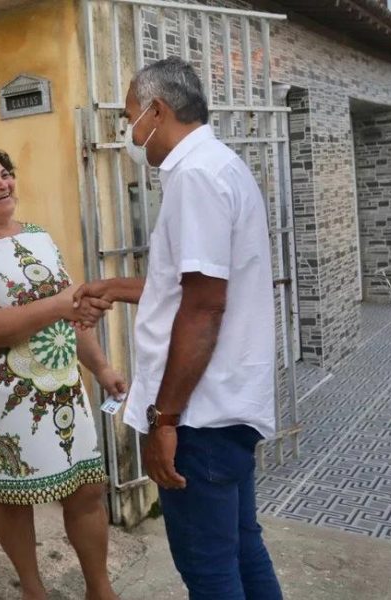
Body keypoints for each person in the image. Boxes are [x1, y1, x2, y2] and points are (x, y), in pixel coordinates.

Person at [75, 57, 284, 599]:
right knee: (241, 546)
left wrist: (165, 419)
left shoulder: (194, 176)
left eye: (128, 117)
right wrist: (119, 288)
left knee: (210, 570)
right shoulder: (221, 166)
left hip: (200, 415)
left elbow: (205, 308)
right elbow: (196, 287)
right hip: (226, 405)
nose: (128, 132)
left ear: (157, 110)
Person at [0, 146, 125, 600]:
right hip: (5, 393)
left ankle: (99, 589)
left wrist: (100, 367)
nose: (4, 185)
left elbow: (72, 312)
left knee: (86, 487)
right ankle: (32, 588)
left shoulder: (39, 235)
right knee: (12, 497)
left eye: (5, 175)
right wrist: (62, 304)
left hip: (61, 385)